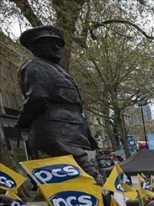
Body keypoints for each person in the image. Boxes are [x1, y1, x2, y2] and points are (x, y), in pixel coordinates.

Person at [17, 26, 98, 175]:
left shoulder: (57, 69)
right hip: (56, 132)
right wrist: (22, 122)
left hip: (72, 129)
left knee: (80, 175)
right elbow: (37, 97)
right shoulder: (35, 67)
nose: (57, 47)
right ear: (36, 47)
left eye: (59, 44)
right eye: (50, 43)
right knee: (88, 173)